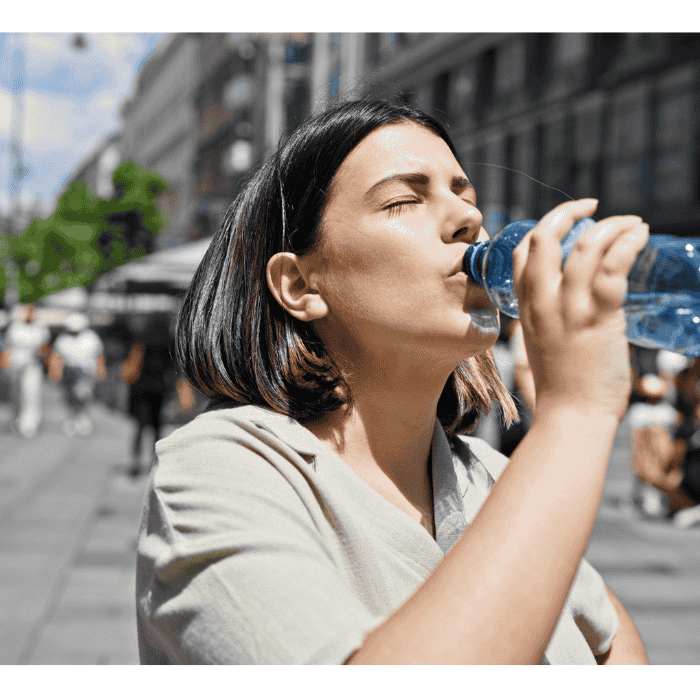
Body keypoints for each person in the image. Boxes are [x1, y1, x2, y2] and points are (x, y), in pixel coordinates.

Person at [136, 99, 650, 664]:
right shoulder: (224, 471)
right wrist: (575, 413)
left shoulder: (492, 477)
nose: (468, 219)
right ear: (301, 285)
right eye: (404, 199)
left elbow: (611, 628)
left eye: (464, 195)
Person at [120, 314, 188, 478]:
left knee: (140, 427)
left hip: (141, 389)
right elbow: (175, 369)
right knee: (158, 428)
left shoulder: (143, 339)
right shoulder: (169, 341)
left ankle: (135, 461)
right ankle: (154, 462)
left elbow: (132, 365)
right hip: (160, 390)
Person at [48, 312, 105, 437]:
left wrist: (100, 370)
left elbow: (99, 355)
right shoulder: (63, 339)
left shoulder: (91, 338)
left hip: (85, 371)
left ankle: (83, 419)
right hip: (69, 371)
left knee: (83, 396)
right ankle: (72, 419)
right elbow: (56, 357)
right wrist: (54, 371)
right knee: (69, 397)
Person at [1, 304, 50, 438]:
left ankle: (29, 423)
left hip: (32, 367)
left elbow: (44, 349)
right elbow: (6, 348)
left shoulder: (41, 328)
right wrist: (5, 365)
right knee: (16, 396)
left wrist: (40, 358)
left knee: (30, 393)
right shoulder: (15, 327)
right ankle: (17, 420)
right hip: (15, 367)